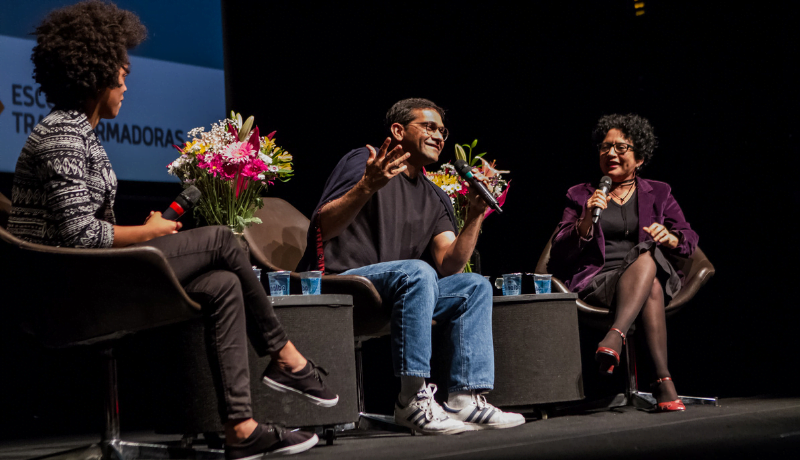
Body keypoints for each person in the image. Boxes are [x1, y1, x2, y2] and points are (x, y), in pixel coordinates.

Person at [6, 2, 334, 457]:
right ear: (96, 74)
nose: (126, 82)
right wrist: (147, 233)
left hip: (83, 275)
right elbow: (80, 237)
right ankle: (285, 357)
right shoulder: (62, 134)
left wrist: (145, 232)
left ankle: (241, 427)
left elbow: (82, 229)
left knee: (220, 284)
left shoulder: (79, 133)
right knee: (220, 239)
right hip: (61, 290)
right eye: (121, 72)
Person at [298, 98, 524, 434]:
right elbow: (322, 227)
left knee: (473, 285)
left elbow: (449, 263)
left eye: (442, 131)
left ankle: (465, 399)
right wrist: (366, 186)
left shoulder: (436, 196)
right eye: (429, 127)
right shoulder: (366, 161)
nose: (439, 136)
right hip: (343, 282)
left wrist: (476, 214)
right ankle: (412, 400)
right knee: (418, 271)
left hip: (400, 288)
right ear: (398, 130)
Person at [547, 114, 699, 412]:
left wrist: (670, 238)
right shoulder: (580, 194)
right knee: (650, 277)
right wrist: (586, 220)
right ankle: (663, 381)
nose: (610, 154)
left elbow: (689, 237)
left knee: (646, 255)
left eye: (620, 147)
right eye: (605, 147)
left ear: (639, 157)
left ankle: (614, 336)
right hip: (600, 281)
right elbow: (559, 252)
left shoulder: (660, 191)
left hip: (646, 271)